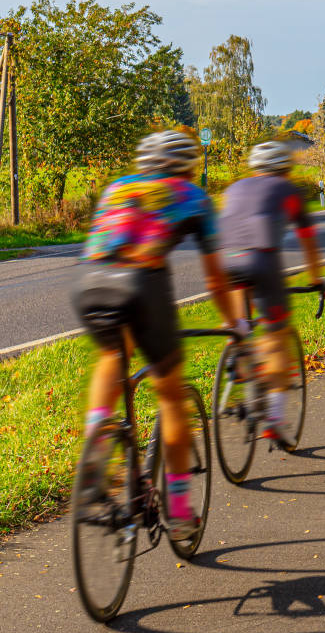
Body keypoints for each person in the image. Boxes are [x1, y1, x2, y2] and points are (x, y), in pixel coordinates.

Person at [71, 129, 246, 536]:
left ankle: (96, 448)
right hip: (140, 285)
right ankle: (180, 511)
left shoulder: (118, 187)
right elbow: (216, 279)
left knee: (112, 356)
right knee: (170, 396)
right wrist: (234, 322)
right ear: (188, 167)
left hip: (90, 283)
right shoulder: (193, 197)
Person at [218, 139, 325, 449]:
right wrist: (317, 279)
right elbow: (308, 241)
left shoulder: (233, 189)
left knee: (241, 323)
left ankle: (238, 357)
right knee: (276, 336)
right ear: (285, 168)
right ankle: (275, 419)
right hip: (262, 262)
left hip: (226, 263)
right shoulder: (288, 190)